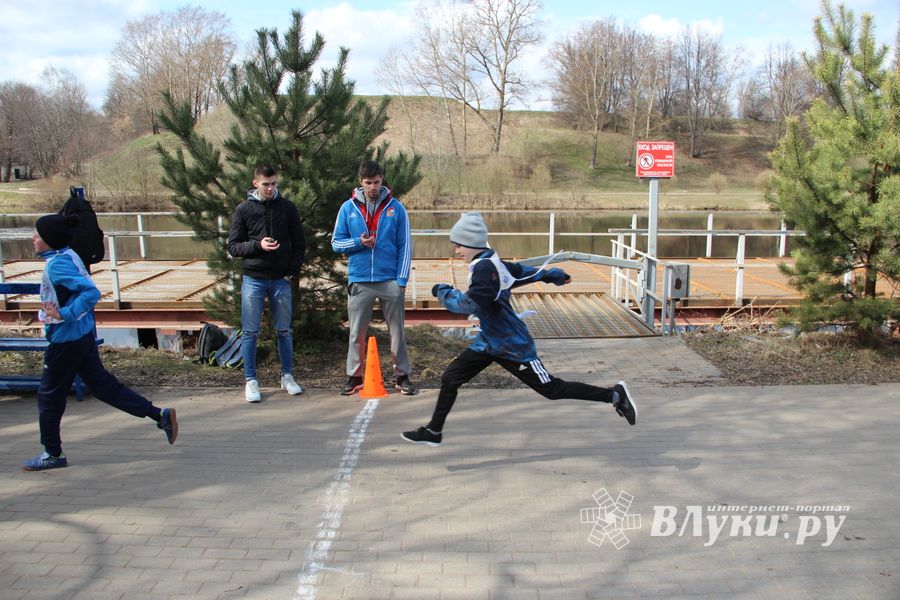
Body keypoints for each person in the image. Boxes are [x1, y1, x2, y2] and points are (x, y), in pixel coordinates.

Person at [401, 212, 637, 447]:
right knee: (451, 377)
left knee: (552, 389)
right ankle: (434, 431)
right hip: (490, 342)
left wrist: (443, 291)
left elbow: (468, 304)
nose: (456, 251)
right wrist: (551, 275)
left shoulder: (485, 268)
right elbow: (518, 272)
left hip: (513, 345)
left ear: (472, 243)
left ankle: (615, 395)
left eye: (458, 245)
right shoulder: (490, 261)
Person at [22, 213, 178, 471]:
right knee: (104, 387)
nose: (33, 238)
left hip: (66, 341)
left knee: (49, 397)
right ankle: (159, 416)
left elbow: (91, 291)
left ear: (50, 240)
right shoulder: (69, 255)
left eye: (37, 235)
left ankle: (52, 453)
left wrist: (64, 314)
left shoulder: (56, 265)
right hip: (82, 337)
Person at [331, 160, 416, 396]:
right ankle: (354, 376)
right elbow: (336, 243)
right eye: (368, 183)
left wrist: (401, 280)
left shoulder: (396, 208)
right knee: (356, 331)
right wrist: (359, 242)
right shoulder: (347, 208)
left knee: (397, 331)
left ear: (382, 181)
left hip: (389, 280)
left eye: (376, 182)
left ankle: (402, 376)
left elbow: (405, 245)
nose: (372, 187)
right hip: (359, 281)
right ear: (361, 182)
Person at [227, 164, 306, 403]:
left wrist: (291, 272)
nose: (271, 188)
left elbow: (300, 243)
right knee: (250, 331)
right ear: (255, 184)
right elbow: (233, 247)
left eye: (274, 184)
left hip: (281, 279)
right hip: (254, 278)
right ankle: (251, 380)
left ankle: (287, 375)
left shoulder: (287, 208)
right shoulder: (244, 209)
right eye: (266, 184)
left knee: (284, 330)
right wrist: (257, 245)